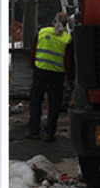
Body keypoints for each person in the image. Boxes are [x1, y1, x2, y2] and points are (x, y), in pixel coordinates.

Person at [26, 11, 73, 141]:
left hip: (40, 72)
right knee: (54, 105)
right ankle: (49, 133)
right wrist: (70, 77)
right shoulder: (67, 39)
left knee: (35, 101)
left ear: (54, 20)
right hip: (56, 76)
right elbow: (68, 61)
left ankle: (33, 130)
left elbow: (33, 52)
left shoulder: (42, 32)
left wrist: (34, 67)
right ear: (66, 24)